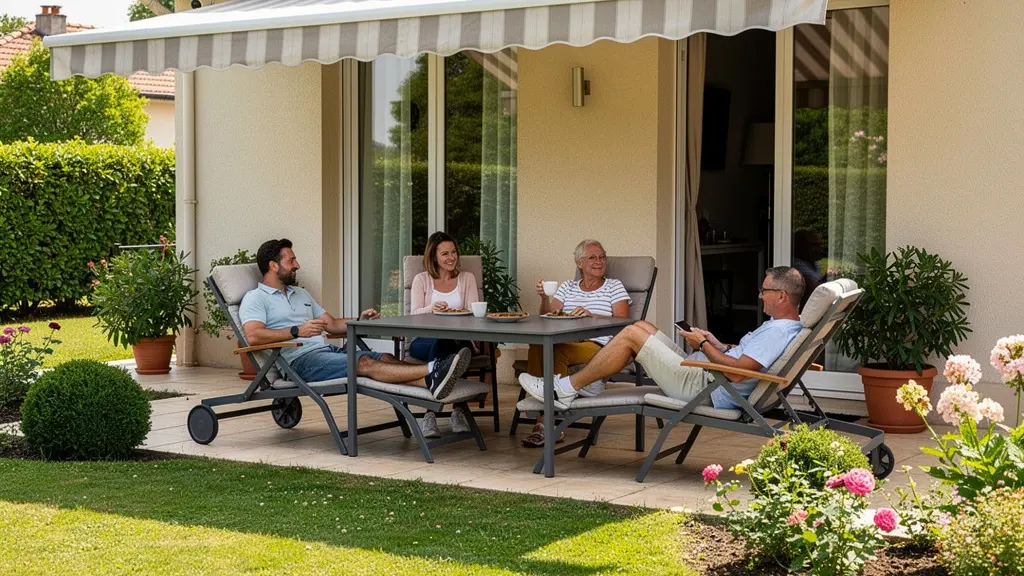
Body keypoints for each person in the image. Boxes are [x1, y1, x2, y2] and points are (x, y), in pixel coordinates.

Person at [517, 267, 806, 411]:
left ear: (781, 296)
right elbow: (744, 359)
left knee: (630, 333)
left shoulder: (777, 331)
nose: (760, 295)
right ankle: (590, 382)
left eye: (764, 291)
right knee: (643, 325)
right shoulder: (783, 326)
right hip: (702, 372)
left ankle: (564, 389)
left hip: (705, 387)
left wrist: (702, 346)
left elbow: (736, 374)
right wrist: (718, 345)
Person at [239, 238, 471, 400]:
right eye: (291, 261)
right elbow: (253, 335)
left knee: (386, 357)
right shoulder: (255, 298)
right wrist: (296, 331)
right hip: (299, 362)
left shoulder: (300, 294)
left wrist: (359, 319)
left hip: (326, 353)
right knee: (364, 364)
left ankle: (431, 381)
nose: (297, 265)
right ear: (273, 265)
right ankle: (435, 368)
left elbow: (332, 324)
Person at [520, 239, 632, 447]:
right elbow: (548, 316)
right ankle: (547, 418)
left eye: (602, 257)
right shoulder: (567, 287)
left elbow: (624, 323)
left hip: (597, 346)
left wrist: (592, 316)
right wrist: (545, 298)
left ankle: (548, 422)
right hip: (564, 340)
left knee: (556, 351)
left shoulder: (614, 286)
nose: (599, 261)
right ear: (579, 263)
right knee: (538, 344)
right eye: (592, 257)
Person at [409, 231, 480, 438]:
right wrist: (432, 307)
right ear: (433, 257)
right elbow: (413, 316)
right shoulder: (421, 280)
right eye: (445, 254)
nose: (451, 257)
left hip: (460, 339)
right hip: (424, 341)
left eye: (454, 252)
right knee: (448, 348)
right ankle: (458, 410)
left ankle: (431, 412)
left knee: (452, 344)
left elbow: (474, 313)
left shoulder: (467, 278)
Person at [792, 228, 825, 309]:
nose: (820, 249)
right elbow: (815, 292)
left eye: (820, 245)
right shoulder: (796, 265)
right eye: (815, 245)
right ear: (802, 246)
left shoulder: (813, 263)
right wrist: (828, 277)